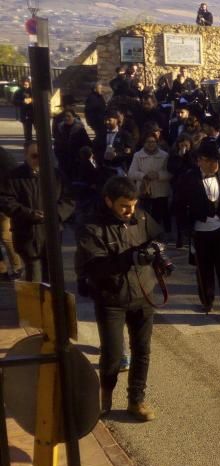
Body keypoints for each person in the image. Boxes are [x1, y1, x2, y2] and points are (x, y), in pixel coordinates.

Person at [75, 176, 162, 421]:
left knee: (142, 351)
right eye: (124, 205)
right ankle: (105, 397)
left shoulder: (141, 217)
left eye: (133, 204)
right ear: (108, 201)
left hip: (143, 294)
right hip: (111, 298)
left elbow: (157, 238)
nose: (130, 211)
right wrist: (130, 258)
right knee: (113, 356)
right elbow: (96, 267)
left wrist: (156, 255)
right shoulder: (92, 227)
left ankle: (137, 401)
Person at [176, 140, 220, 321]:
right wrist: (185, 229)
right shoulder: (188, 178)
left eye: (216, 161)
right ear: (199, 161)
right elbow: (179, 205)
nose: (214, 165)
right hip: (200, 231)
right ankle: (207, 300)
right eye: (209, 161)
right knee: (204, 270)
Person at [0, 142, 75, 282]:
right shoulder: (14, 176)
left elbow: (69, 199)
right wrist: (28, 213)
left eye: (43, 156)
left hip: (51, 234)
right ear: (26, 156)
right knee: (34, 275)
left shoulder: (57, 175)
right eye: (34, 156)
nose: (38, 160)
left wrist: (56, 214)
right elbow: (6, 201)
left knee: (52, 276)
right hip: (27, 234)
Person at [128, 134, 172, 233]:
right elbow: (131, 173)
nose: (151, 144)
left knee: (160, 216)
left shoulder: (164, 155)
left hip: (161, 191)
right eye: (148, 142)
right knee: (144, 216)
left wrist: (158, 175)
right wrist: (143, 176)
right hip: (144, 192)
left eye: (153, 142)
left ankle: (162, 235)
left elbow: (170, 173)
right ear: (144, 143)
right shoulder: (137, 155)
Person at [12, 78, 34, 143]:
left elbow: (40, 99)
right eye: (24, 83)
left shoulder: (33, 90)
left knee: (39, 130)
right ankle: (29, 143)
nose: (26, 84)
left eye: (27, 83)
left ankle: (40, 143)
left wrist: (32, 100)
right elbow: (14, 101)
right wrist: (22, 102)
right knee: (27, 131)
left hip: (35, 113)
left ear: (29, 83)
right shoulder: (19, 91)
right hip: (25, 113)